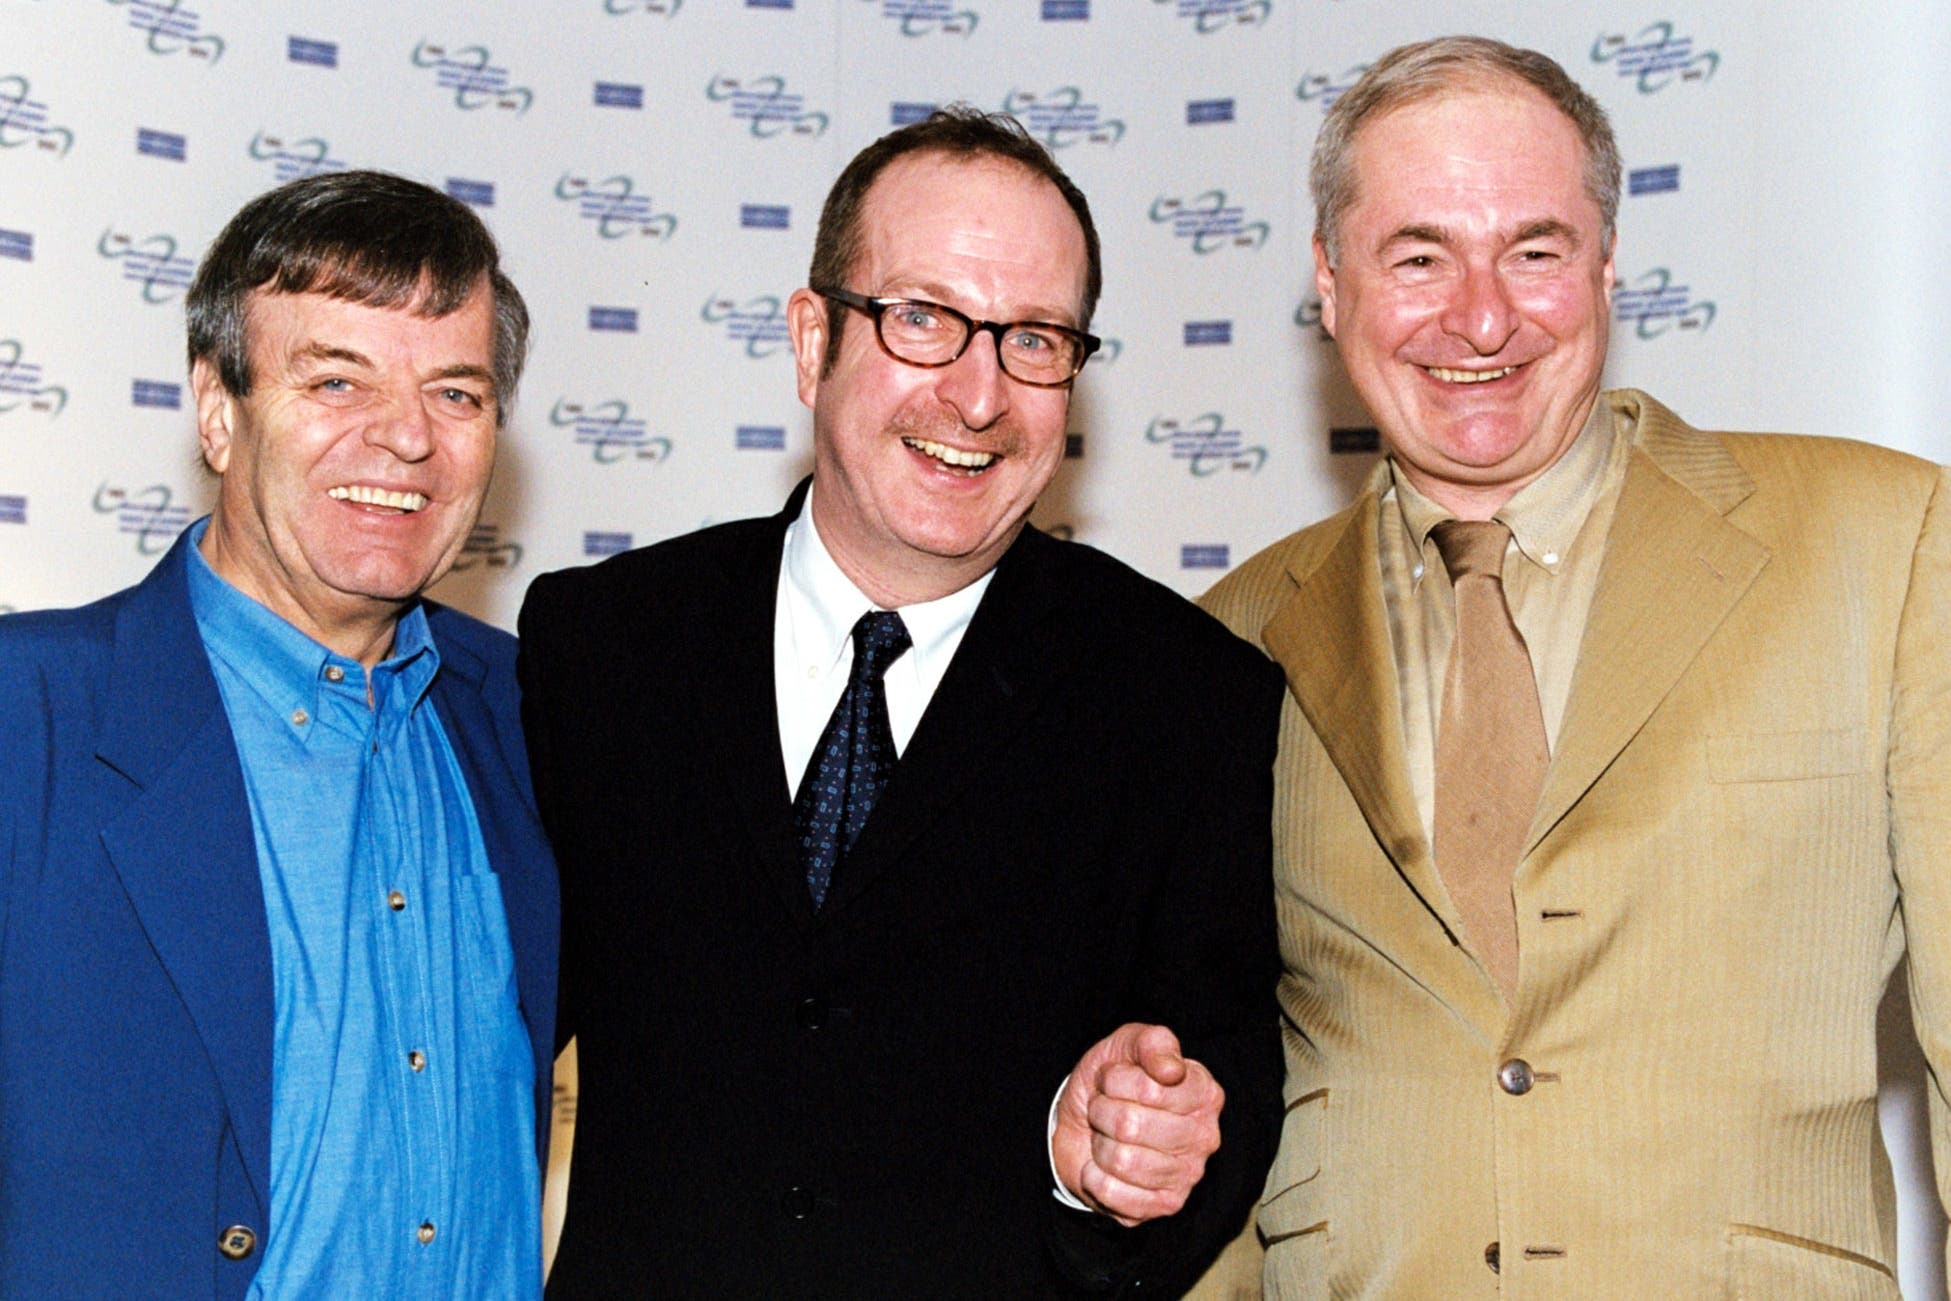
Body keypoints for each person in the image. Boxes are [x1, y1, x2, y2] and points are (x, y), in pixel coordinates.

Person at [1199, 33, 1951, 1297]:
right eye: (1418, 254)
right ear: (1329, 284)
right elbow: (1200, 1104)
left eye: (1534, 250)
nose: (1480, 314)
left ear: (1607, 267)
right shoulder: (1226, 637)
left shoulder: (1885, 545)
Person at [519, 107, 1283, 1297]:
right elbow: (472, 1029)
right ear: (812, 337)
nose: (978, 396)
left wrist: (1109, 1163)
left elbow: (1218, 1091)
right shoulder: (602, 643)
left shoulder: (1185, 696)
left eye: (1034, 338)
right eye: (922, 319)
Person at [0, 171, 558, 1299]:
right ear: (218, 407)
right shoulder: (29, 717)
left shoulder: (539, 715)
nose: (405, 436)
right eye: (336, 377)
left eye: (455, 393)